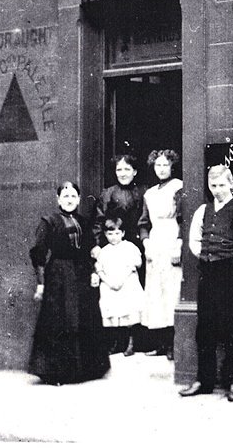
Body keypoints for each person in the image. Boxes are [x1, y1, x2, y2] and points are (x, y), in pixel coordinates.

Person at [179, 165, 233, 402]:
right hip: (208, 274)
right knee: (204, 330)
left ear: (231, 184)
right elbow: (194, 241)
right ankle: (203, 381)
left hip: (231, 277)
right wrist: (206, 257)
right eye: (213, 185)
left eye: (222, 185)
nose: (217, 190)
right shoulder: (202, 211)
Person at [28, 181, 110, 385]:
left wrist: (94, 271)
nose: (69, 200)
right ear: (58, 199)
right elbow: (39, 252)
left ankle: (86, 370)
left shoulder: (83, 221)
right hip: (58, 276)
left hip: (81, 274)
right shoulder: (49, 221)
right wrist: (41, 282)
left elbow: (90, 248)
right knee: (60, 321)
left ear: (79, 199)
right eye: (65, 196)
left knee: (84, 317)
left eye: (73, 196)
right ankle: (56, 372)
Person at [138, 149, 184, 358]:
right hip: (155, 242)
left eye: (165, 165)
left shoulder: (178, 187)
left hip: (172, 238)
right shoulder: (149, 193)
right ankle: (161, 343)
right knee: (155, 292)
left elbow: (184, 218)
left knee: (172, 291)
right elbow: (144, 223)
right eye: (158, 165)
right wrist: (146, 242)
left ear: (172, 166)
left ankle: (174, 345)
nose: (162, 169)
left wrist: (178, 245)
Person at [93, 154, 148, 286]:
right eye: (119, 170)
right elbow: (99, 221)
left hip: (137, 247)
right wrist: (97, 244)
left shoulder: (143, 192)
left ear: (134, 172)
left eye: (127, 169)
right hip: (113, 246)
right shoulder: (107, 194)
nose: (123, 174)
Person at [94, 215, 145, 356]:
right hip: (111, 285)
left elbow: (137, 264)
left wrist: (121, 280)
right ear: (105, 234)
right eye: (110, 234)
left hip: (126, 283)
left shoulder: (129, 247)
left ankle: (131, 344)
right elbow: (99, 268)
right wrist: (109, 281)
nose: (114, 237)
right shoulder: (104, 251)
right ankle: (117, 343)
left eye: (117, 233)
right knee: (114, 312)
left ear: (122, 233)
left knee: (129, 312)